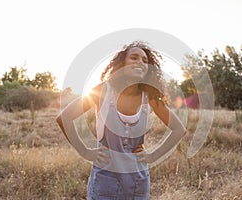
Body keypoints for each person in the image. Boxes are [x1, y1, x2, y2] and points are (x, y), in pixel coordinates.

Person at [56, 41, 186, 199]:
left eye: (145, 60)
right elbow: (64, 117)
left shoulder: (149, 97)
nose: (140, 62)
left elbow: (179, 129)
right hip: (105, 181)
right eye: (134, 57)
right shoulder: (103, 90)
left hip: (138, 181)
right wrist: (84, 151)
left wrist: (152, 156)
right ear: (122, 63)